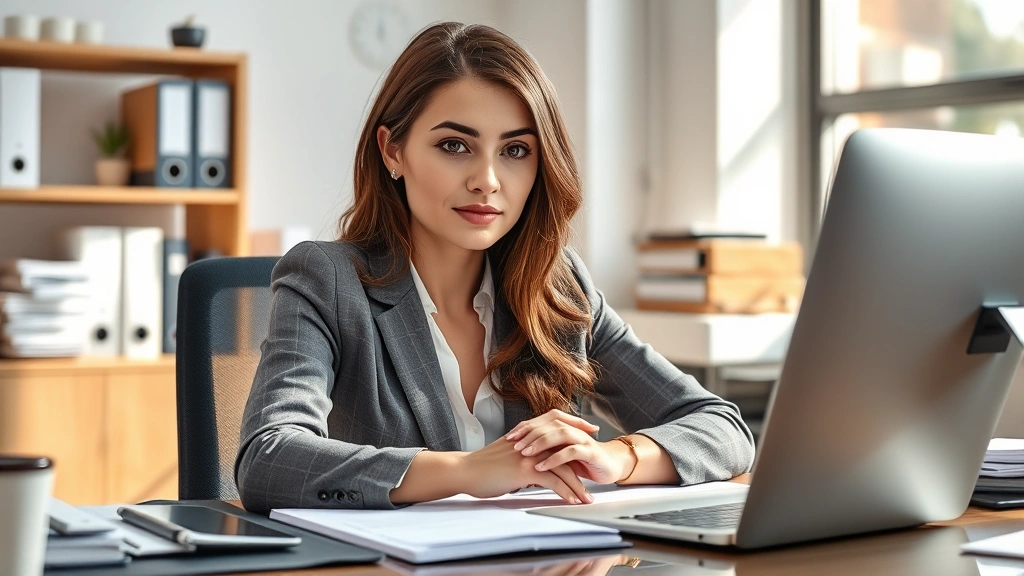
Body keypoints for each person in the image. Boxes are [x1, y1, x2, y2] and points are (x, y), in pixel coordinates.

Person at [235, 22, 754, 514]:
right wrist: (466, 471)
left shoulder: (557, 288)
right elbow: (268, 458)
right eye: (454, 145)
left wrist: (619, 458)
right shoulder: (327, 280)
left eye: (515, 150)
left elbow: (722, 428)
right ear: (393, 151)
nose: (487, 180)